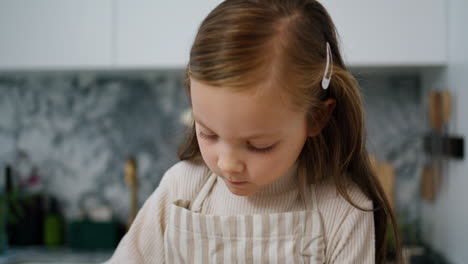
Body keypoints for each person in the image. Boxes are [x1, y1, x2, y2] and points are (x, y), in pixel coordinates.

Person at [106, 0, 401, 263]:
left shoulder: (344, 212)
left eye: (259, 145)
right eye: (207, 132)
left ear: (317, 118)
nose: (227, 163)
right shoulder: (180, 190)